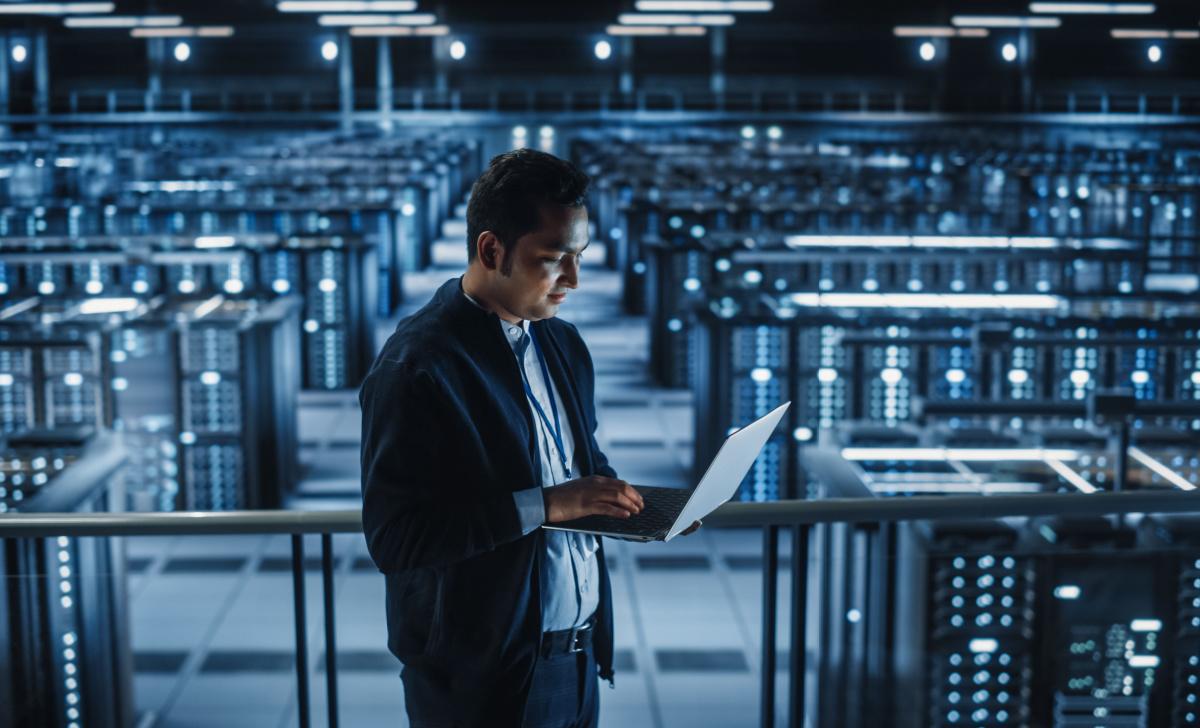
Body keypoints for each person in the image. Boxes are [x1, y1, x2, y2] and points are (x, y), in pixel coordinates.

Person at [360, 148, 697, 728]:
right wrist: (547, 504)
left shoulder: (560, 343)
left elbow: (582, 467)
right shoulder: (417, 366)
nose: (573, 279)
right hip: (482, 681)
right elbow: (396, 539)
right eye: (554, 258)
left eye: (580, 256)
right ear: (492, 250)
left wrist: (643, 509)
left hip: (577, 657)